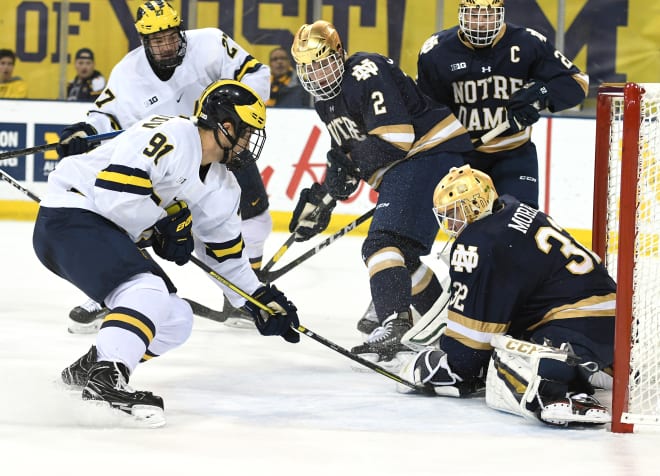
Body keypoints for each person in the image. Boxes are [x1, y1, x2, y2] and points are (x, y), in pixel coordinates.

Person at [33, 80, 300, 427]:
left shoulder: (222, 185)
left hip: (102, 231)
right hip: (70, 215)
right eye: (248, 132)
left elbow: (226, 259)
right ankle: (107, 377)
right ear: (228, 126)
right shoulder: (172, 135)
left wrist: (259, 299)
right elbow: (115, 198)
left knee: (175, 318)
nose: (249, 143)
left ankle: (90, 369)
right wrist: (163, 224)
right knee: (146, 289)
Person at [56, 0, 272, 332]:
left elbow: (257, 73)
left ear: (180, 31)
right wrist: (86, 132)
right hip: (167, 160)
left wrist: (237, 119)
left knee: (251, 214)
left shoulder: (211, 43)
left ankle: (240, 294)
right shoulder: (128, 73)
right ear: (144, 40)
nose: (166, 45)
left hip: (222, 146)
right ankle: (110, 289)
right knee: (133, 215)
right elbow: (105, 117)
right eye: (157, 40)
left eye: (171, 36)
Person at [288, 20, 473, 370]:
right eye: (309, 68)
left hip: (428, 152)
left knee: (379, 244)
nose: (318, 75)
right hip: (411, 163)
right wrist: (324, 196)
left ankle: (394, 323)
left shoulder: (364, 71)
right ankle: (442, 320)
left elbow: (396, 139)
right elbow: (348, 153)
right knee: (401, 255)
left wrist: (348, 165)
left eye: (323, 63)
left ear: (339, 54)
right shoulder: (323, 103)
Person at [400, 164, 615, 428]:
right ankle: (592, 366)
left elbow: (467, 354)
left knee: (502, 364)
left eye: (454, 213)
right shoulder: (511, 206)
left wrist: (444, 366)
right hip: (611, 323)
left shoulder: (479, 243)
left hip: (574, 326)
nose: (449, 223)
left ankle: (557, 390)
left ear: (476, 205)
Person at [416, 0, 588, 209]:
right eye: (473, 14)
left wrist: (541, 95)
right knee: (470, 232)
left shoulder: (527, 43)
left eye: (488, 15)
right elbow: (426, 112)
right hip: (463, 160)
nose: (480, 23)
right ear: (461, 13)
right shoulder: (437, 52)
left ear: (500, 14)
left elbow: (577, 83)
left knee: (519, 226)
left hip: (515, 155)